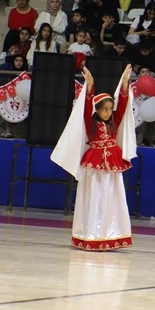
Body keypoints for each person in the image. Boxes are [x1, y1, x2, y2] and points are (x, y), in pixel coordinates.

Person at [51, 65, 135, 250]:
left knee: (112, 198)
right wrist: (90, 85)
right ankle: (91, 234)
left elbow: (122, 105)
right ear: (96, 111)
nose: (108, 112)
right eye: (104, 109)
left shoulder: (115, 121)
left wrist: (125, 83)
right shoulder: (90, 124)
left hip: (112, 162)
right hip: (94, 163)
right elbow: (86, 105)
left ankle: (109, 234)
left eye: (110, 109)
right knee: (94, 198)